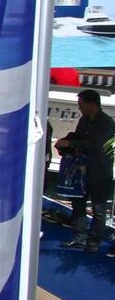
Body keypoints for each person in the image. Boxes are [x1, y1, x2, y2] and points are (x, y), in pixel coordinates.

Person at [57, 89, 115, 254]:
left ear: (91, 104)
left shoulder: (106, 123)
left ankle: (93, 242)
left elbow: (95, 146)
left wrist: (70, 144)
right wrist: (68, 140)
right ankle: (79, 238)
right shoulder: (83, 120)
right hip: (82, 172)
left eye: (81, 105)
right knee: (78, 205)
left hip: (100, 173)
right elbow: (80, 137)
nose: (79, 108)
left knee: (98, 210)